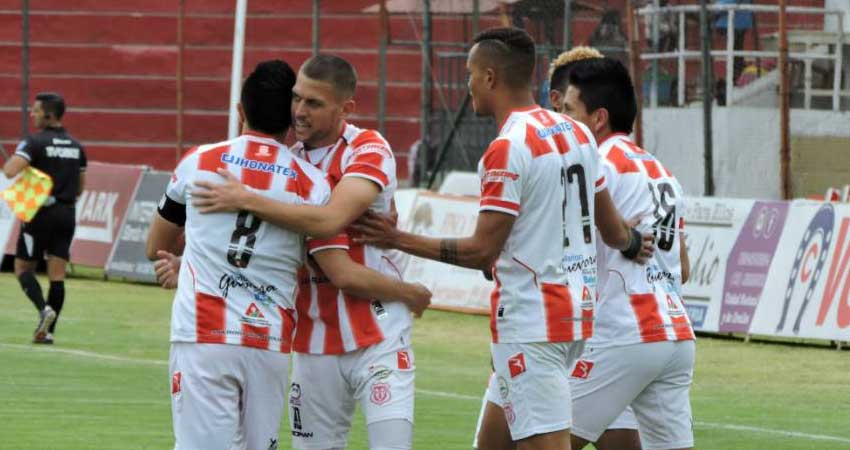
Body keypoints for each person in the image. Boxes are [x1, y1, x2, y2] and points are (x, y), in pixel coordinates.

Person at [353, 27, 652, 450]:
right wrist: (635, 244)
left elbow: (481, 252)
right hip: (577, 316)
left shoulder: (507, 147)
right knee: (491, 444)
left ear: (490, 77)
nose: (467, 83)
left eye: (471, 73)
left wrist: (397, 238)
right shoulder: (577, 133)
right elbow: (611, 227)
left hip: (532, 324)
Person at [145, 59, 430, 450]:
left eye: (313, 103)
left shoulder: (366, 148)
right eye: (296, 100)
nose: (299, 111)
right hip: (307, 342)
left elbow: (328, 222)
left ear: (345, 108)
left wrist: (247, 200)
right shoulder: (297, 166)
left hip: (376, 329)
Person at [557, 57, 695, 450]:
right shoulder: (662, 171)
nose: (560, 120)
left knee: (539, 441)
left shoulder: (595, 164)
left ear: (597, 118)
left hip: (623, 333)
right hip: (675, 336)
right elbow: (682, 267)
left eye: (568, 110)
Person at [3, 92, 86, 344]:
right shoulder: (76, 146)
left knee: (22, 267)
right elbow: (81, 187)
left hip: (39, 213)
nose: (32, 114)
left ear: (49, 115)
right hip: (67, 213)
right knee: (57, 274)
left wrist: (26, 166)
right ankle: (47, 332)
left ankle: (43, 309)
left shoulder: (34, 142)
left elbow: (9, 171)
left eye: (36, 111)